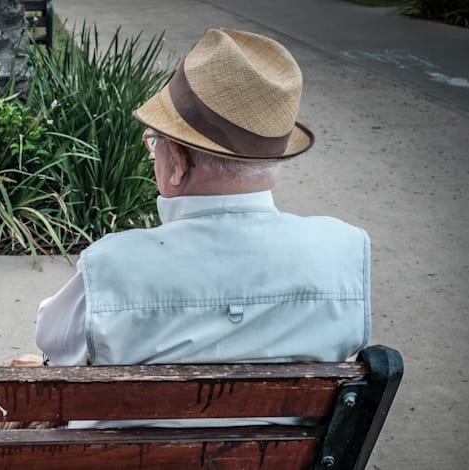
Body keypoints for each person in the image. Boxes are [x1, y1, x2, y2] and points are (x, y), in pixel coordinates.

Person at [36, 28, 370, 427]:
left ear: (178, 160)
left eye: (155, 141)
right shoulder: (344, 253)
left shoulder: (112, 266)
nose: (154, 153)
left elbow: (54, 343)